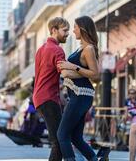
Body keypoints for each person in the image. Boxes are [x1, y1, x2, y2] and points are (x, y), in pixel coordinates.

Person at [57, 16, 100, 161]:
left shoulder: (88, 49)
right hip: (78, 96)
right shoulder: (80, 48)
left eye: (75, 27)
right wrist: (71, 72)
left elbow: (95, 75)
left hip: (81, 95)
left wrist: (72, 67)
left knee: (62, 134)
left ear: (82, 28)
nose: (72, 31)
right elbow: (79, 73)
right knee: (75, 137)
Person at [32, 17, 70, 161]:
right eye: (64, 30)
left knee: (59, 139)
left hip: (39, 97)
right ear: (54, 30)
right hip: (48, 98)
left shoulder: (41, 49)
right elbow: (65, 73)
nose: (67, 34)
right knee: (59, 142)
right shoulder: (57, 50)